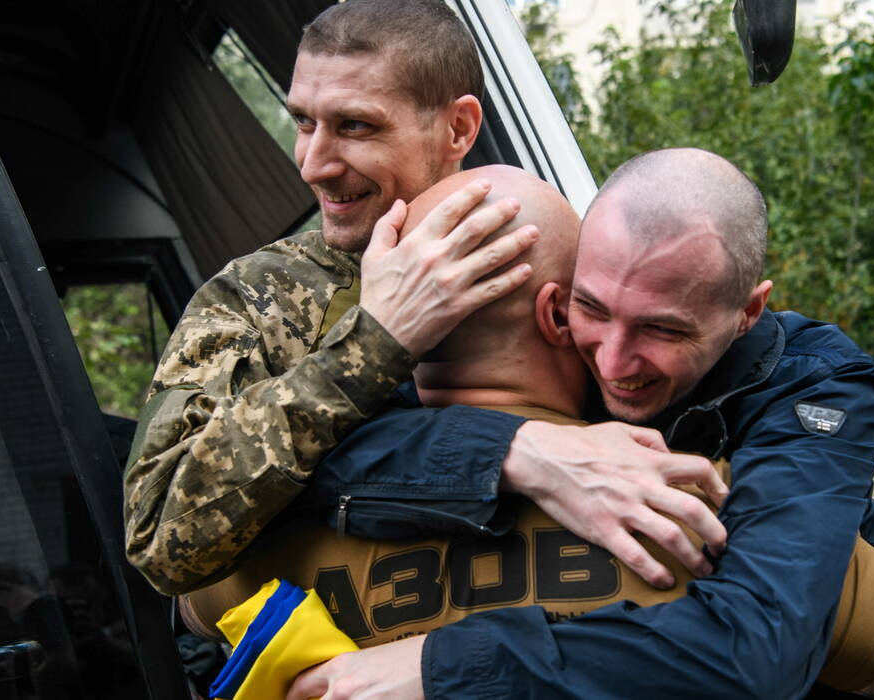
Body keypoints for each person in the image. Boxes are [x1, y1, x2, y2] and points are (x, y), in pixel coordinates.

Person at [178, 165, 874, 699]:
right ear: (557, 307)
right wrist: (518, 451)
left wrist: (438, 665)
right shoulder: (708, 515)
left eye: (661, 328)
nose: (615, 362)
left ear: (748, 314)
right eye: (591, 308)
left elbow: (189, 563)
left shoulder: (246, 540)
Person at [124, 0, 726, 597]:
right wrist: (371, 347)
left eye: (355, 126)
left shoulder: (573, 247)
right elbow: (159, 542)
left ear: (459, 127)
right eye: (304, 122)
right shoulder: (264, 297)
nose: (312, 164)